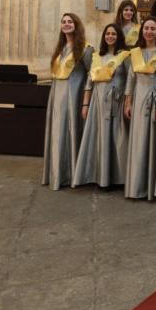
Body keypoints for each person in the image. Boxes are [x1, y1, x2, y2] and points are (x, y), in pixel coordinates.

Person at [73, 23, 130, 188]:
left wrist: (127, 102)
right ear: (104, 37)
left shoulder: (125, 56)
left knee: (117, 138)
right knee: (97, 136)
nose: (110, 36)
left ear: (119, 36)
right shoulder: (97, 56)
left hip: (116, 102)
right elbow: (89, 83)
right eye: (108, 34)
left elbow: (130, 81)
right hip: (97, 103)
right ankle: (97, 174)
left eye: (114, 34)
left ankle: (118, 177)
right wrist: (85, 104)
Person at [124, 17, 156, 200]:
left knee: (153, 141)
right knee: (138, 142)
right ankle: (137, 185)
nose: (149, 31)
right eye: (146, 28)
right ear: (142, 31)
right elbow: (131, 78)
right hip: (138, 101)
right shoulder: (135, 52)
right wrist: (128, 102)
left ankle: (153, 187)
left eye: (153, 28)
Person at [43, 13, 93, 190]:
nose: (66, 24)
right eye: (63, 22)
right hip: (57, 95)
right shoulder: (60, 49)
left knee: (71, 130)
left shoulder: (86, 49)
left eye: (70, 22)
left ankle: (72, 173)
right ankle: (57, 173)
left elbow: (91, 74)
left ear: (76, 25)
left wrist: (86, 99)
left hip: (74, 95)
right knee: (58, 133)